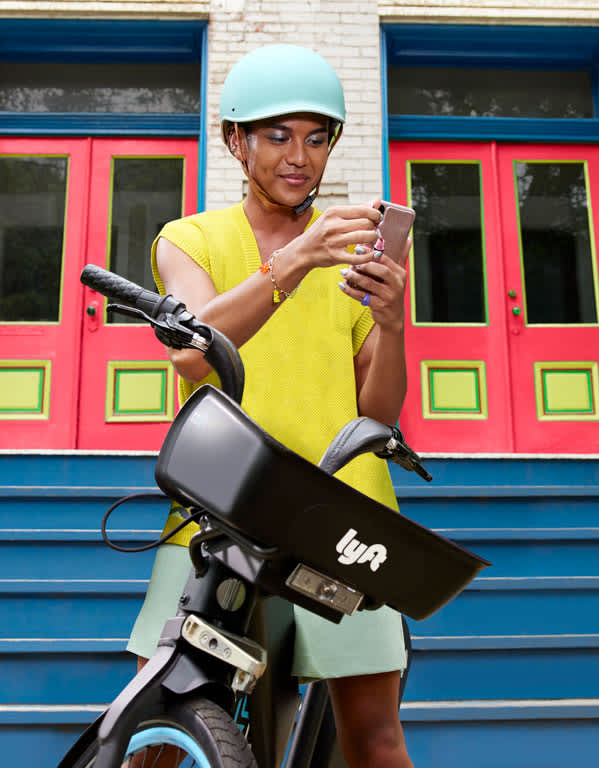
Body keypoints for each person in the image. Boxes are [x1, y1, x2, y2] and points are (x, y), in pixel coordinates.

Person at [127, 44, 414, 768]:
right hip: (220, 508)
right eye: (278, 135)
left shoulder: (350, 258)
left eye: (317, 138)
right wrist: (292, 261)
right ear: (235, 141)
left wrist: (391, 322)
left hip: (343, 515)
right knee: (158, 723)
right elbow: (195, 356)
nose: (300, 156)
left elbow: (377, 412)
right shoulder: (189, 240)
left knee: (376, 742)